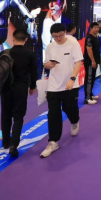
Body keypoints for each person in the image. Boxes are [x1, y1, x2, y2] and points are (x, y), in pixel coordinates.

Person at [40, 23, 83, 158]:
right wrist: (49, 65)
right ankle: (53, 142)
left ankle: (75, 121)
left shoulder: (73, 43)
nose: (58, 38)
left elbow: (78, 62)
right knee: (53, 114)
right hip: (53, 86)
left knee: (69, 108)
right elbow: (46, 63)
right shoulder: (50, 47)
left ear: (65, 32)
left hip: (70, 84)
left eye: (60, 35)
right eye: (55, 36)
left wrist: (72, 78)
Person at [0, 29, 37, 158]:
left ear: (13, 39)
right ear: (26, 40)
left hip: (5, 88)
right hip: (21, 88)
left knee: (6, 115)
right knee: (18, 116)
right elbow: (33, 72)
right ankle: (13, 145)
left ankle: (5, 142)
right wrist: (32, 86)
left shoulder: (5, 52)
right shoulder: (30, 54)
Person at [83, 22, 101, 105]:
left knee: (93, 78)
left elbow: (96, 50)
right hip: (89, 61)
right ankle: (87, 98)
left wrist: (98, 60)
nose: (97, 29)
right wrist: (93, 61)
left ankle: (90, 94)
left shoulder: (96, 37)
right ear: (91, 29)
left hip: (95, 61)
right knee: (89, 78)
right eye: (95, 27)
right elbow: (89, 50)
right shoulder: (89, 38)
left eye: (97, 27)